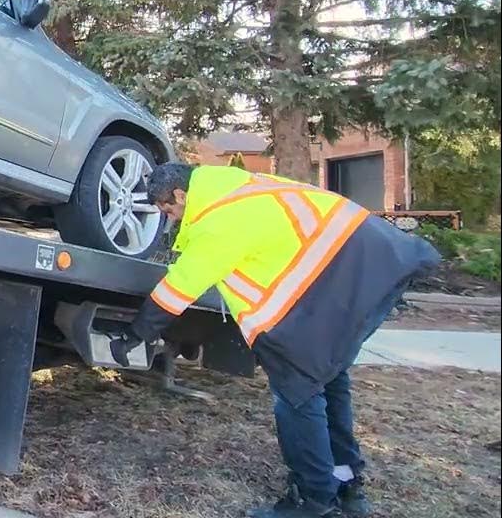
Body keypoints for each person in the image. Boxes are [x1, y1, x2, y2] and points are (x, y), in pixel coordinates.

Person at [109, 162, 439, 518]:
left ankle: (313, 500)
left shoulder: (219, 220)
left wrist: (134, 334)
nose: (170, 218)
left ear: (180, 194)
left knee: (296, 396)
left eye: (168, 209)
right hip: (364, 268)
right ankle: (345, 482)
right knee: (328, 379)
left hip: (326, 290)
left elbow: (180, 288)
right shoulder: (246, 186)